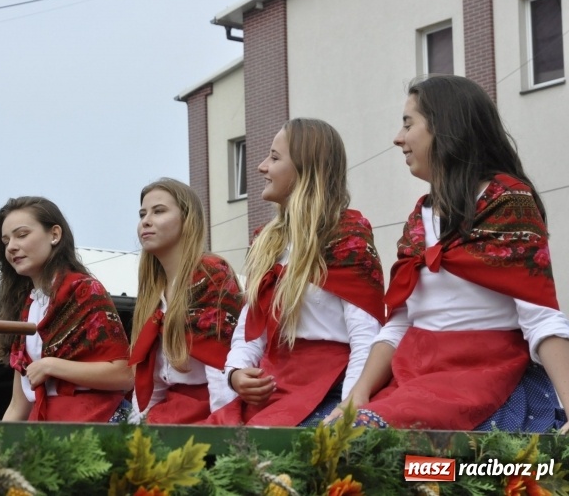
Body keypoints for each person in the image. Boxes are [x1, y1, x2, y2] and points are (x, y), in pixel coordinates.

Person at [325, 75, 569, 432]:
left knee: (386, 446)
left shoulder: (507, 201)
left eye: (408, 124)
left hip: (481, 376)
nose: (398, 138)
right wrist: (358, 394)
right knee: (341, 439)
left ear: (445, 127)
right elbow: (400, 323)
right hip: (415, 376)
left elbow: (540, 315)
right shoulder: (419, 219)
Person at [208, 118, 385, 427]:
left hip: (328, 390)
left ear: (307, 169)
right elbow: (250, 327)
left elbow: (365, 336)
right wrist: (236, 373)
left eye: (274, 158)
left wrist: (347, 411)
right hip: (273, 387)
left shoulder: (346, 236)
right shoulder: (268, 242)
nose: (262, 167)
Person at [0, 196, 133, 422]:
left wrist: (51, 366)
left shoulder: (85, 290)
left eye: (22, 235)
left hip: (93, 423)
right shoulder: (27, 306)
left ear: (54, 234)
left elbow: (124, 374)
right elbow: (18, 405)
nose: (12, 247)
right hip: (44, 427)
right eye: (6, 241)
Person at [128, 178, 243, 424]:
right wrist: (136, 426)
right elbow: (152, 379)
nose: (146, 221)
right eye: (142, 214)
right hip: (171, 410)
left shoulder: (211, 273)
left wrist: (224, 429)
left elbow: (219, 363)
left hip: (209, 408)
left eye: (159, 211)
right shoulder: (153, 289)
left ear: (187, 219)